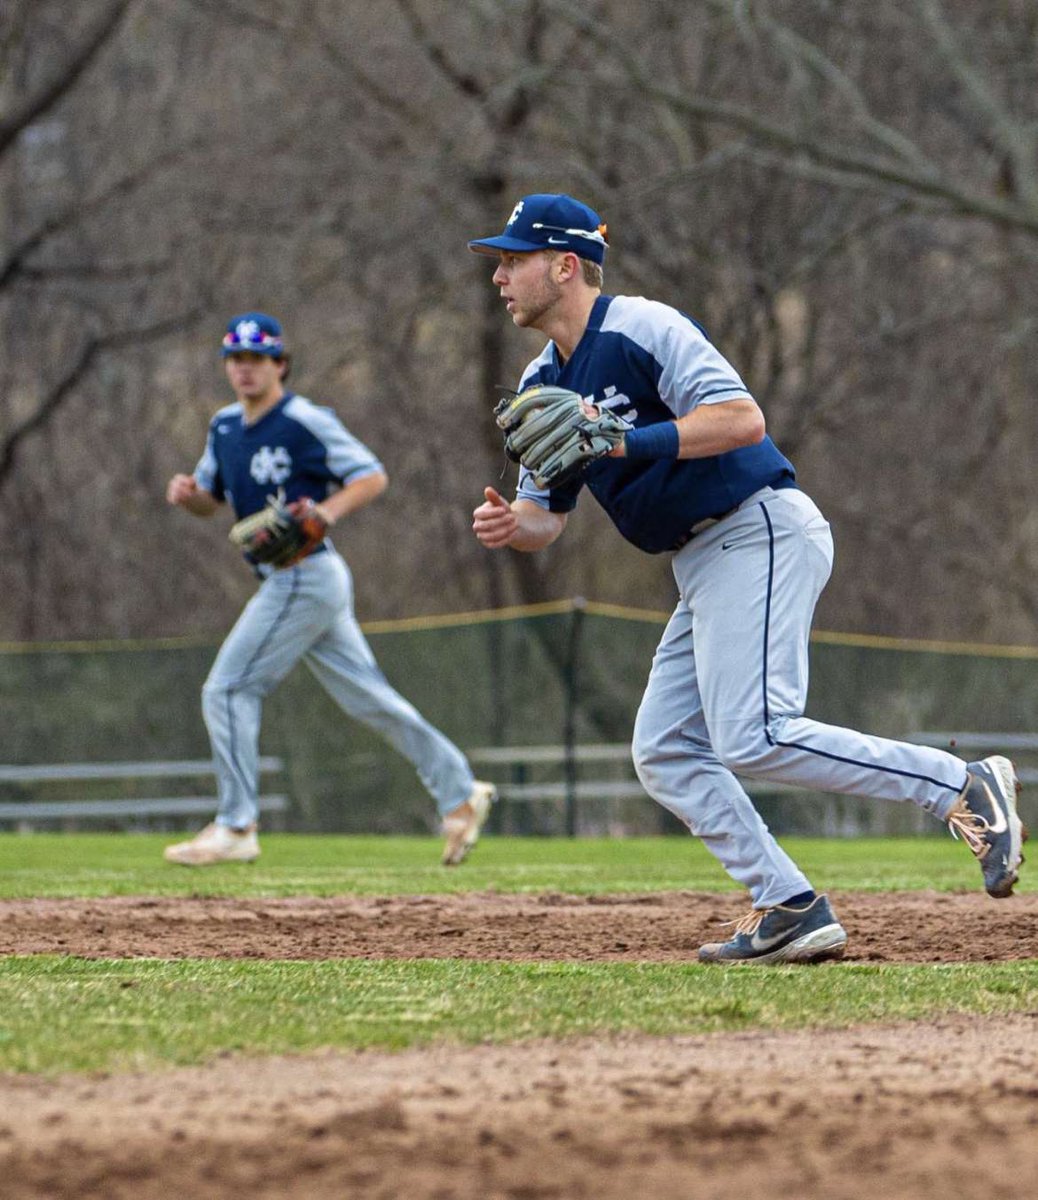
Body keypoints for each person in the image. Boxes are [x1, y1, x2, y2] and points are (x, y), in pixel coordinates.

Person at [468, 193, 1026, 963]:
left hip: (756, 526)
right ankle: (789, 904)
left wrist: (626, 443)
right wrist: (511, 527)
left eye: (512, 258)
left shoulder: (642, 327)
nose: (499, 275)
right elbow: (545, 516)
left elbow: (742, 420)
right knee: (665, 749)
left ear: (564, 266)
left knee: (754, 733)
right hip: (703, 563)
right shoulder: (541, 379)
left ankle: (958, 784)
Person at [164, 311, 495, 867]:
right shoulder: (223, 427)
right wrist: (188, 495)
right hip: (293, 580)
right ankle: (460, 793)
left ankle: (237, 824)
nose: (245, 369)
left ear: (280, 365)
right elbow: (210, 500)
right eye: (236, 359)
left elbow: (371, 474)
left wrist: (324, 512)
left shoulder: (304, 420)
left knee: (227, 690)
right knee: (371, 700)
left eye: (257, 358)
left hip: (305, 573)